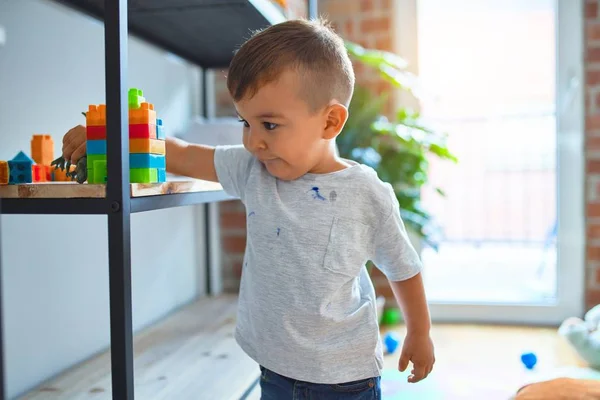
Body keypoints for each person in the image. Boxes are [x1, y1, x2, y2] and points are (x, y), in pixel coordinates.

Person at [61, 18, 435, 400]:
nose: (254, 141)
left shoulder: (367, 193)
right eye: (246, 122)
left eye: (270, 125)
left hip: (344, 379)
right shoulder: (252, 168)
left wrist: (419, 332)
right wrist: (113, 134)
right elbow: (185, 154)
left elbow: (403, 267)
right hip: (273, 370)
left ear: (330, 121)